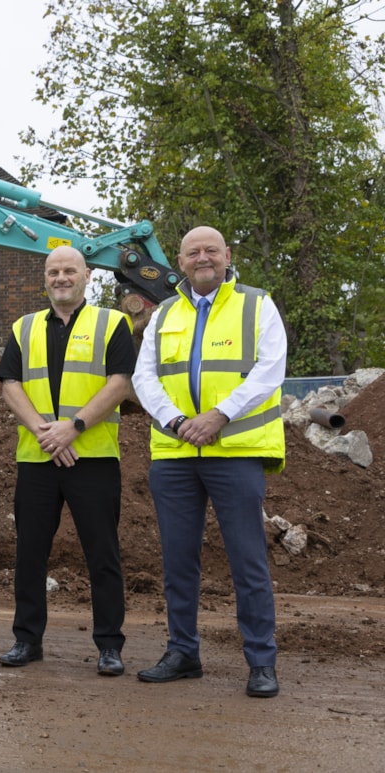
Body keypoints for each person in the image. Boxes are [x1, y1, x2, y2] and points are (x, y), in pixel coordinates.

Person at [131, 226, 287, 699]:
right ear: (179, 262)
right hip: (177, 454)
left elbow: (270, 369)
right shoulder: (163, 315)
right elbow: (144, 377)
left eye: (211, 251)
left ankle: (261, 661)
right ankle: (183, 651)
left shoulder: (256, 305)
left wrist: (218, 416)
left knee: (248, 561)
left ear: (227, 256)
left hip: (235, 452)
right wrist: (179, 422)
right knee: (179, 562)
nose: (203, 258)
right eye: (193, 252)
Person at [0, 246, 134, 675]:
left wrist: (72, 427)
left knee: (102, 555)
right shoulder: (24, 326)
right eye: (53, 271)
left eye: (69, 270)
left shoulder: (113, 322)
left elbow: (121, 383)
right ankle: (27, 640)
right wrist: (45, 432)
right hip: (37, 457)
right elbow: (9, 384)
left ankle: (110, 645)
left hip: (92, 457)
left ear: (87, 276)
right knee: (30, 554)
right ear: (46, 278)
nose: (61, 278)